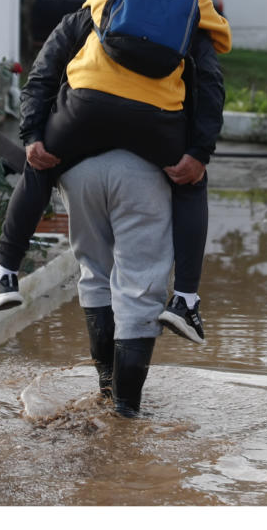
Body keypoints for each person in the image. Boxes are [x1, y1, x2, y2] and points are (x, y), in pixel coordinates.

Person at [0, 0, 230, 347]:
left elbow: (49, 61)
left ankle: (4, 275)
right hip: (156, 120)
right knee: (193, 183)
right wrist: (198, 153)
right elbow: (210, 80)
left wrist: (32, 137)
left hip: (86, 110)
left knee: (39, 165)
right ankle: (186, 301)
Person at [58, 148, 175, 417]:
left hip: (78, 163)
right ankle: (125, 414)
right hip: (143, 163)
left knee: (94, 271)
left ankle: (107, 392)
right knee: (140, 286)